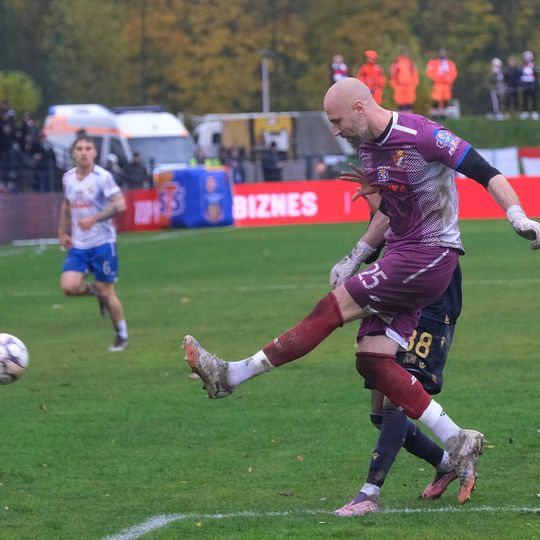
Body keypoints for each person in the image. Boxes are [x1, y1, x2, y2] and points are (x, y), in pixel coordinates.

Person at [183, 78, 540, 507]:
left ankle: (231, 376)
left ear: (359, 108)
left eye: (337, 121)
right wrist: (355, 255)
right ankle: (457, 440)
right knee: (372, 361)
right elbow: (390, 211)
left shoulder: (423, 134)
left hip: (429, 254)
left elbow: (487, 172)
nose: (335, 131)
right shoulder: (369, 150)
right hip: (402, 256)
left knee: (327, 312)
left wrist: (518, 215)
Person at [331, 193, 462, 516]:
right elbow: (377, 249)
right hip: (395, 297)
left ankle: (369, 493)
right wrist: (376, 207)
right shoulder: (390, 191)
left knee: (395, 404)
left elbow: (419, 229)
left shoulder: (421, 185)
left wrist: (382, 204)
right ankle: (447, 464)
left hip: (431, 300)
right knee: (380, 416)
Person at [58, 135, 129, 352]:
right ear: (73, 153)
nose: (84, 152)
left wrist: (94, 218)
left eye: (88, 148)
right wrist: (62, 231)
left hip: (102, 243)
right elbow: (66, 204)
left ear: (94, 153)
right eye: (79, 148)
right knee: (69, 287)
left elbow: (120, 204)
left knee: (108, 291)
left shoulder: (102, 177)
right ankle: (95, 292)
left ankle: (122, 336)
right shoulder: (68, 178)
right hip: (79, 245)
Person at [426, 48, 458, 119]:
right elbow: (430, 72)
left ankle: (444, 115)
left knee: (445, 100)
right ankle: (434, 115)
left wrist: (449, 80)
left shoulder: (450, 63)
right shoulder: (434, 62)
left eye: (444, 52)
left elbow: (453, 73)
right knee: (436, 100)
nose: (442, 54)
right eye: (441, 52)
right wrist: (436, 79)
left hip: (447, 85)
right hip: (437, 84)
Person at [519, 50, 539, 120]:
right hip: (525, 84)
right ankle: (525, 112)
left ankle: (534, 112)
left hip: (532, 84)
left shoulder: (534, 66)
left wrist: (536, 85)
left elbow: (536, 76)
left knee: (533, 98)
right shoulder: (522, 66)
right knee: (525, 98)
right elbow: (520, 76)